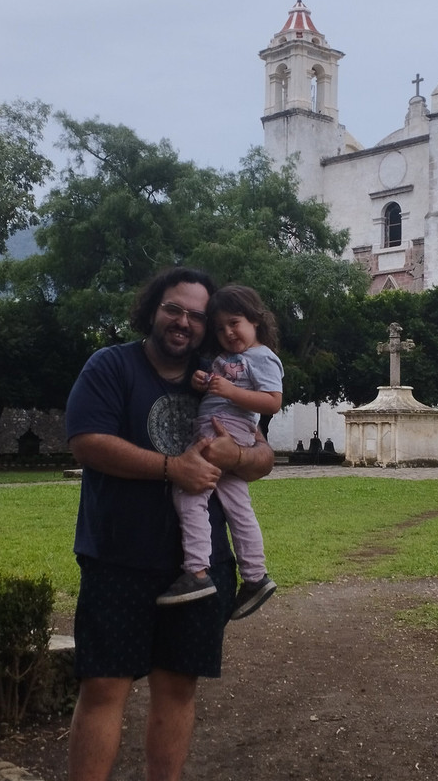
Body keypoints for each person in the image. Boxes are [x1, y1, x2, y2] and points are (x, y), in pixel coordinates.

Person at [64, 266, 275, 781]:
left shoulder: (224, 374)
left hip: (200, 569)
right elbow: (86, 441)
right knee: (103, 687)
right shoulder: (111, 366)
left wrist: (235, 456)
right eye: (173, 309)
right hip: (119, 555)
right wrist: (170, 467)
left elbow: (264, 454)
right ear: (153, 308)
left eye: (197, 316)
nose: (184, 322)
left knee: (179, 686)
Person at [157, 285, 282, 619]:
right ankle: (255, 576)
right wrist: (204, 381)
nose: (228, 332)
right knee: (238, 506)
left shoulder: (264, 356)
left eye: (235, 322)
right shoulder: (227, 359)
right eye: (220, 327)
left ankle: (196, 572)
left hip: (223, 429)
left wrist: (228, 391)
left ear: (256, 320)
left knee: (189, 492)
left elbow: (272, 401)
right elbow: (220, 385)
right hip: (222, 425)